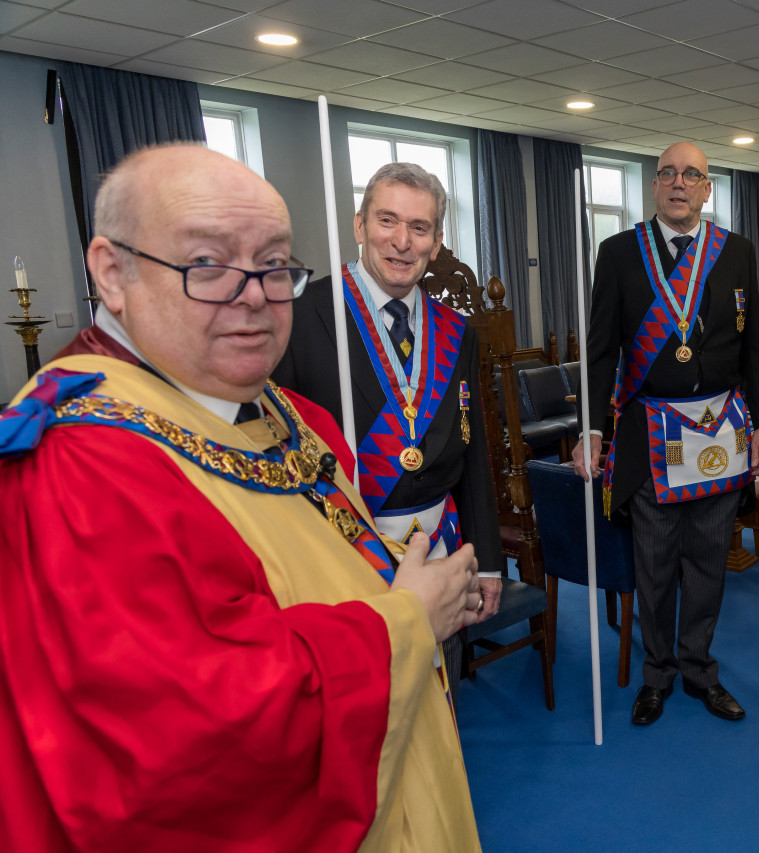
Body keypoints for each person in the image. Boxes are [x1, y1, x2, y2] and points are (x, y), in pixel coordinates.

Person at [0, 144, 483, 852]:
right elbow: (192, 739)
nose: (254, 294)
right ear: (112, 272)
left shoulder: (289, 414)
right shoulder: (80, 469)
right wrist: (409, 621)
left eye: (274, 264)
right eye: (207, 264)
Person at [273, 162, 503, 689]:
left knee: (441, 704)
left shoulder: (458, 332)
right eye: (387, 221)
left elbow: (472, 453)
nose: (402, 242)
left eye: (419, 228)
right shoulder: (301, 314)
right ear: (359, 226)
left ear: (436, 243)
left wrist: (488, 561)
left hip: (439, 559)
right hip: (343, 564)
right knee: (366, 711)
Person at [573, 141, 759, 727]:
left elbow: (752, 348)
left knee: (709, 561)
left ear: (707, 189)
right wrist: (592, 428)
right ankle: (657, 673)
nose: (679, 183)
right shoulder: (618, 253)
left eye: (691, 175)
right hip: (649, 435)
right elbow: (600, 351)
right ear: (655, 186)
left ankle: (699, 669)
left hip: (718, 434)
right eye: (668, 174)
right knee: (656, 565)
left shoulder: (736, 251)